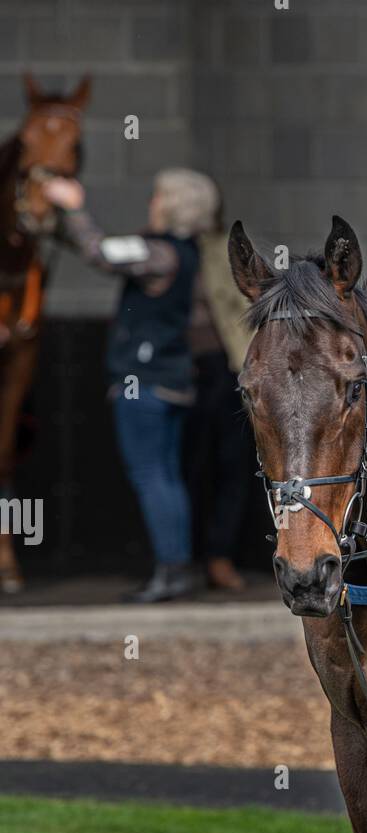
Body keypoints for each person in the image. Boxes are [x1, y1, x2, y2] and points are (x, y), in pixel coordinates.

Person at [44, 168, 219, 602]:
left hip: (145, 384)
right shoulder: (182, 252)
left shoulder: (161, 254)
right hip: (171, 380)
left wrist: (73, 206)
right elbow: (98, 249)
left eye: (158, 196)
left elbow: (101, 252)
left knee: (151, 476)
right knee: (166, 477)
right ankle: (177, 568)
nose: (151, 203)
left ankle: (172, 570)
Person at [184, 201, 255, 592]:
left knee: (231, 466)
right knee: (190, 467)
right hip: (184, 370)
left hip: (225, 367)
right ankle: (189, 558)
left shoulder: (217, 250)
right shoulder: (165, 250)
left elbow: (236, 307)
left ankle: (219, 556)